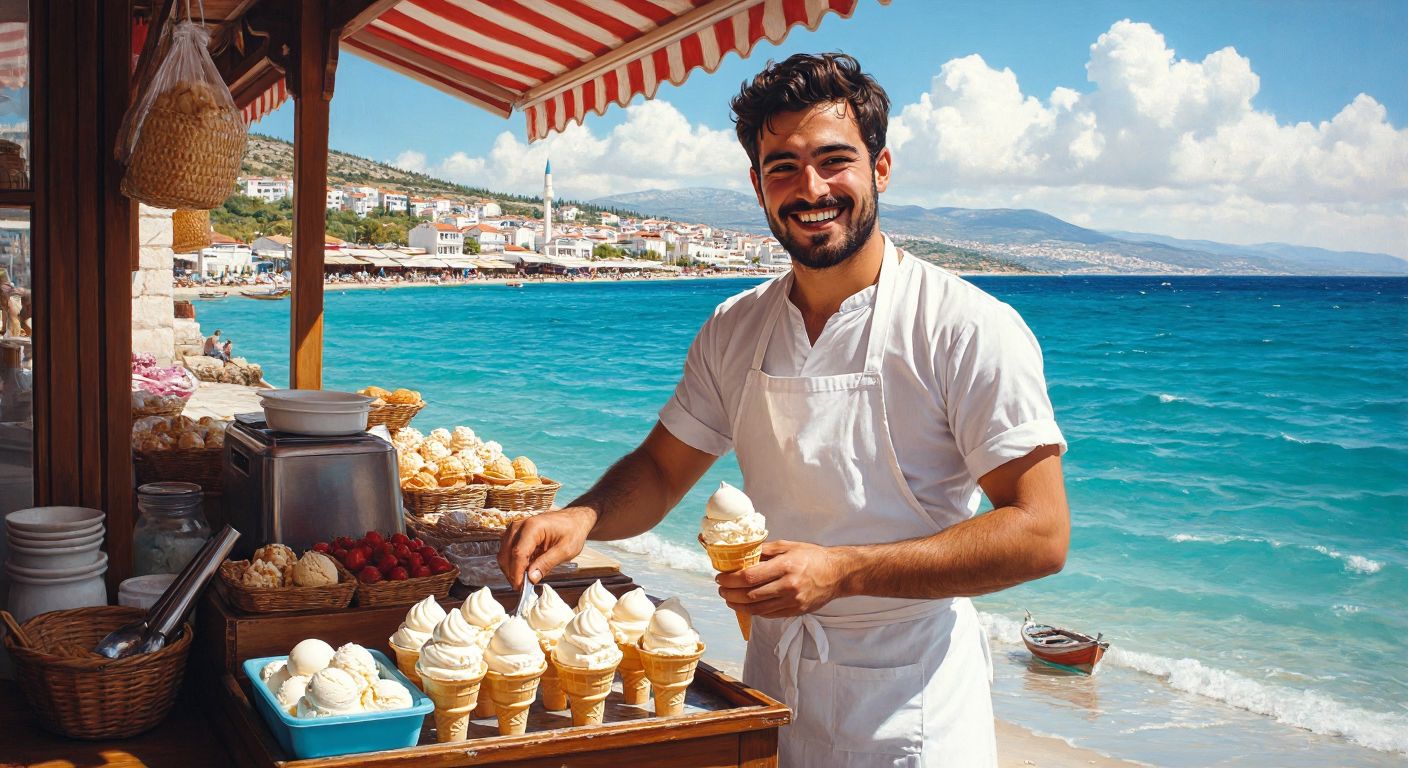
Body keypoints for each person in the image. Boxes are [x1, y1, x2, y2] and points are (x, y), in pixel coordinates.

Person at [500, 53, 1068, 766]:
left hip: (913, 707)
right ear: (757, 185)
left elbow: (1042, 532)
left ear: (881, 168)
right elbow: (660, 468)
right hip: (771, 688)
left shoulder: (965, 327)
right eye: (784, 168)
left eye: (835, 160)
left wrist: (844, 572)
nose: (811, 188)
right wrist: (582, 516)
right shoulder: (735, 328)